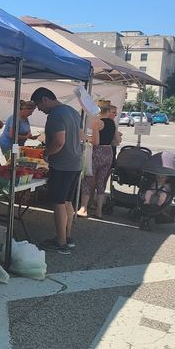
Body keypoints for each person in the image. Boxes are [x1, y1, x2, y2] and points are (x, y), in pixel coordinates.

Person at [31, 87, 82, 255]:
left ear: (45, 99)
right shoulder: (73, 112)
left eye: (39, 105)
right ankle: (67, 237)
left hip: (62, 165)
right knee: (67, 201)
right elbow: (80, 136)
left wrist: (46, 153)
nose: (39, 109)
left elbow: (59, 142)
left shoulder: (56, 115)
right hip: (75, 163)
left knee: (58, 203)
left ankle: (60, 242)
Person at [77, 104, 119, 218]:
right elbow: (116, 141)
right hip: (108, 152)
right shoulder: (112, 123)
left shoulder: (97, 123)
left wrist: (87, 138)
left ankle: (84, 208)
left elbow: (95, 142)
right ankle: (99, 210)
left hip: (97, 152)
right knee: (101, 182)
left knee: (88, 179)